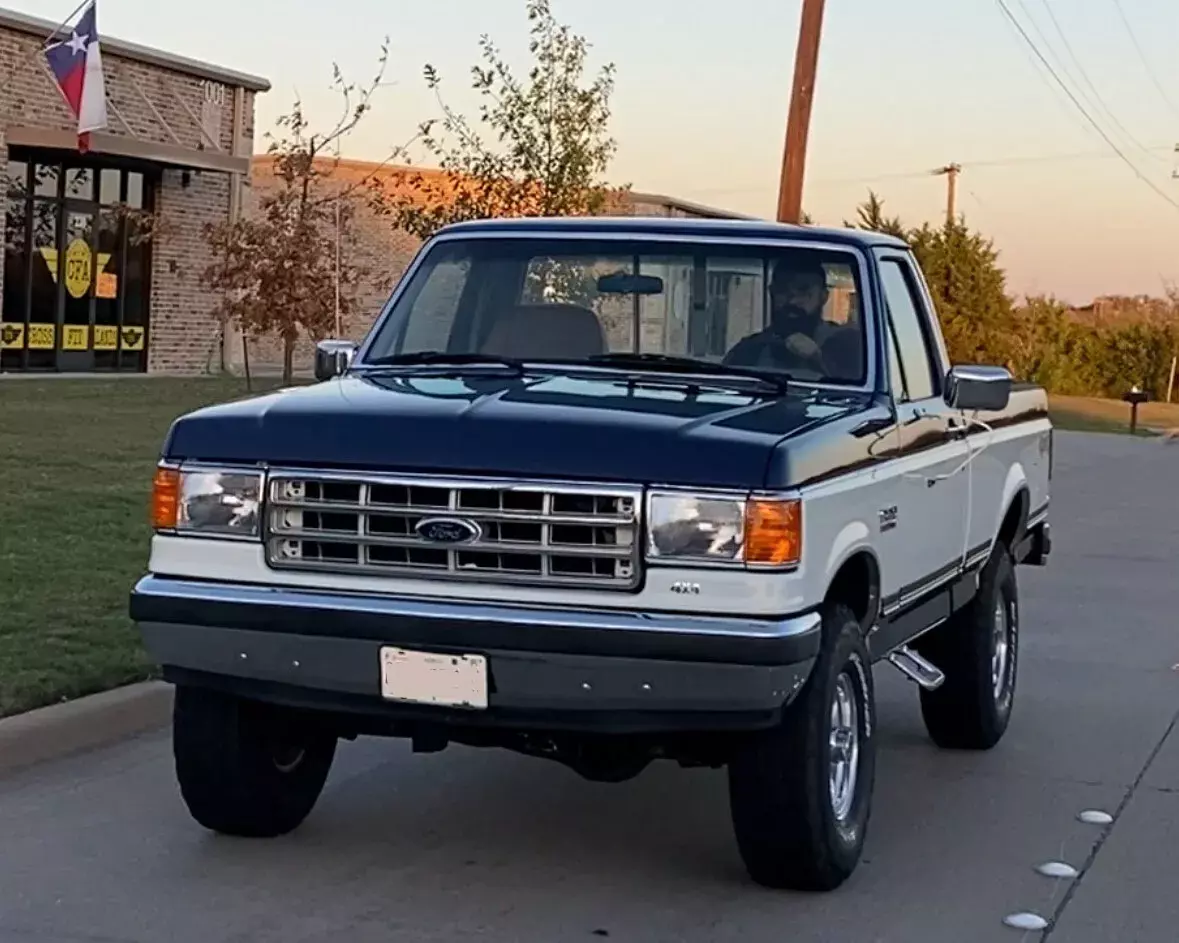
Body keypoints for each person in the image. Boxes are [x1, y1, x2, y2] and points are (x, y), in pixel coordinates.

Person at [724, 257, 838, 373]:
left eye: (803, 290)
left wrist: (818, 360)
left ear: (824, 296)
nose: (792, 301)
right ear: (772, 293)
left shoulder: (844, 344)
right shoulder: (748, 350)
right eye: (782, 290)